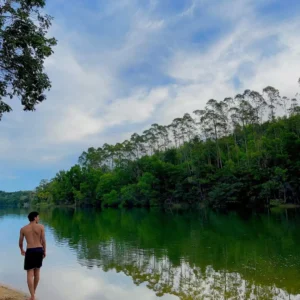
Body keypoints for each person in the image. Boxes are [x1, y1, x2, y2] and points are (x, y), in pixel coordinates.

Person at [19, 212, 46, 300]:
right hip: (39, 249)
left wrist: (22, 250)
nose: (39, 219)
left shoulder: (23, 229)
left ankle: (32, 296)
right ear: (34, 218)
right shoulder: (41, 227)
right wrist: (44, 251)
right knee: (37, 272)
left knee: (30, 274)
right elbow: (43, 240)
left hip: (30, 251)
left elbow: (20, 242)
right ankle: (33, 294)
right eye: (38, 217)